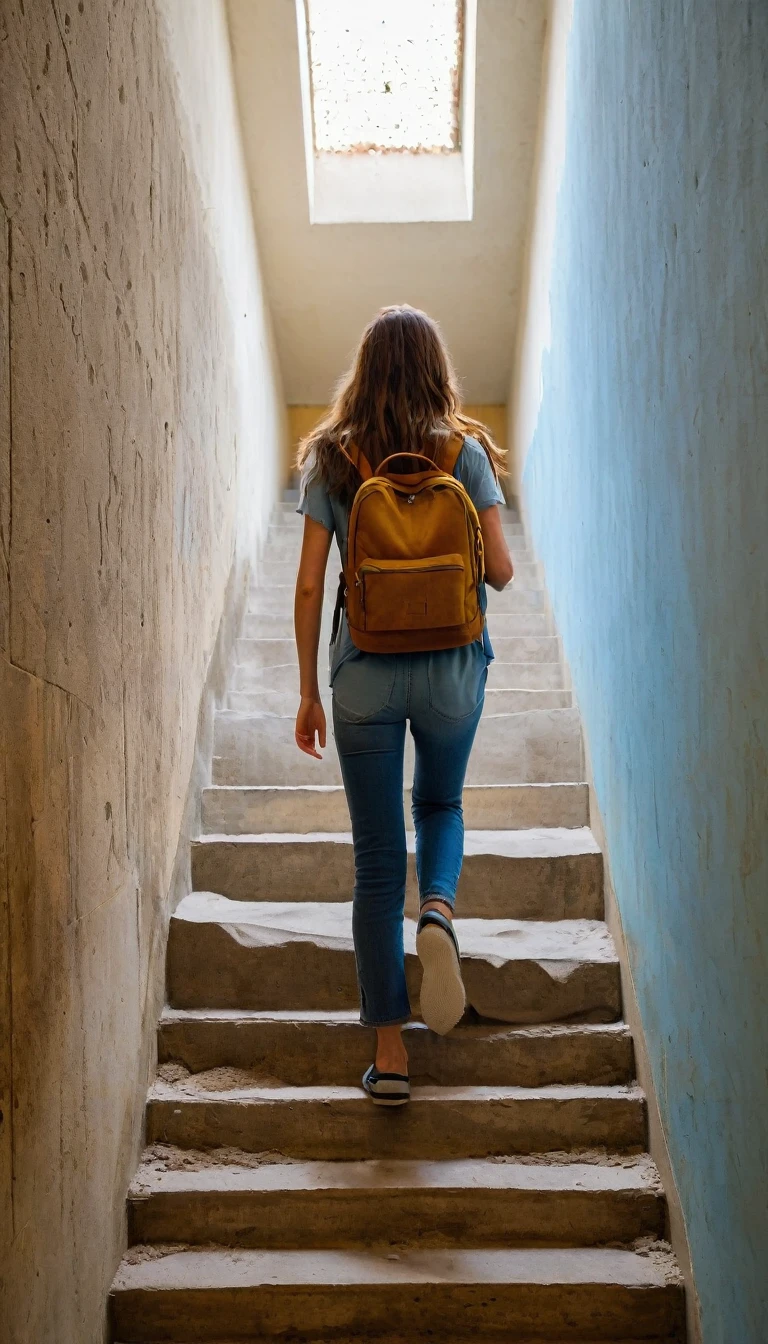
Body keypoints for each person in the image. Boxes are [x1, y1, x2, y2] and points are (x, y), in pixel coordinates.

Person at [293, 305, 514, 1107]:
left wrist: (308, 693)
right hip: (452, 669)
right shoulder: (467, 450)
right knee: (442, 801)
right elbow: (501, 573)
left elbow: (314, 582)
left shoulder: (333, 459)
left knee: (377, 859)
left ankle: (390, 1055)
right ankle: (441, 912)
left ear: (364, 370)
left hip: (364, 676)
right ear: (435, 368)